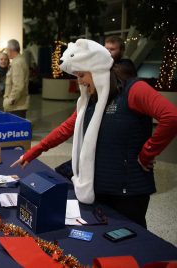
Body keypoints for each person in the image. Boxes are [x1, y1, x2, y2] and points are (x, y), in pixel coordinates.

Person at [11, 39, 177, 228]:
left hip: (128, 193)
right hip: (100, 187)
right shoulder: (91, 99)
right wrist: (34, 151)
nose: (79, 81)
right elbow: (66, 128)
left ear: (96, 70)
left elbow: (171, 117)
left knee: (131, 242)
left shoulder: (134, 90)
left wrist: (147, 153)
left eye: (81, 75)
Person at [3, 39, 30, 118]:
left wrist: (10, 101)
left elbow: (18, 86)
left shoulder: (17, 63)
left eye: (6, 49)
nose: (6, 52)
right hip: (17, 105)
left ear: (11, 50)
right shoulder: (19, 60)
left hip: (16, 107)